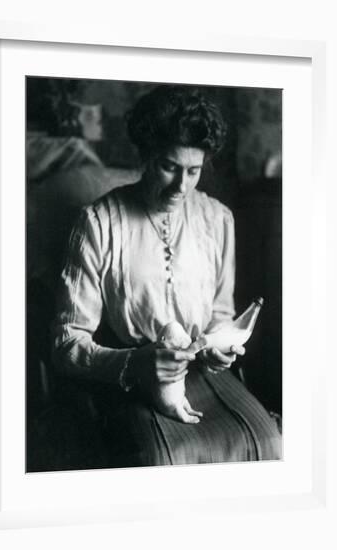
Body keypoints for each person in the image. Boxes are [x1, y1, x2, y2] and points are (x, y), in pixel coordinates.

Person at [51, 84, 281, 467]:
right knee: (165, 459)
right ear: (146, 155)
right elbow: (65, 344)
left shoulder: (218, 219)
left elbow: (220, 314)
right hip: (127, 378)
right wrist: (135, 364)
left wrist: (219, 349)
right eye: (169, 167)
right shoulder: (99, 222)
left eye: (193, 171)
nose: (181, 186)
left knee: (269, 443)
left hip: (203, 372)